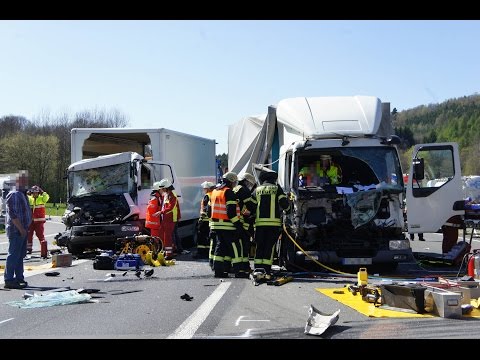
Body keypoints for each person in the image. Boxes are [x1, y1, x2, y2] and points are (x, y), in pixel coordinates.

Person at [252, 168, 290, 279]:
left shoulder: (257, 189)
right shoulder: (277, 188)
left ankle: (258, 268)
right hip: (273, 225)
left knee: (260, 246)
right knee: (269, 246)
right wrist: (288, 210)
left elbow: (251, 205)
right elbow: (284, 203)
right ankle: (266, 269)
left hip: (259, 224)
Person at [207, 171, 243, 278]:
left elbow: (208, 211)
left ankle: (218, 271)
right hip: (227, 226)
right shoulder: (229, 192)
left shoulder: (214, 192)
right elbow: (231, 212)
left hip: (215, 226)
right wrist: (238, 225)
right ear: (232, 182)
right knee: (235, 247)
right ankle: (238, 270)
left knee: (220, 247)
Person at [4, 170, 32, 289]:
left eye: (26, 179)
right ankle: (9, 279)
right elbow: (13, 215)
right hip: (17, 231)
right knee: (13, 255)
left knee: (20, 256)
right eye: (23, 179)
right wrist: (21, 229)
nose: (26, 181)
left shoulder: (22, 193)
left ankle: (19, 278)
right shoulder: (14, 194)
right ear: (17, 180)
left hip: (23, 230)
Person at [232, 172, 257, 276]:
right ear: (246, 182)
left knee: (238, 246)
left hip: (235, 221)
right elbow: (251, 205)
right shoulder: (244, 190)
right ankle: (244, 268)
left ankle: (241, 267)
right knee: (244, 245)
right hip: (242, 223)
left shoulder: (235, 189)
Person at [157, 178, 181, 259]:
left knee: (168, 236)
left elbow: (171, 207)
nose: (161, 189)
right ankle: (167, 252)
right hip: (166, 217)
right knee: (164, 235)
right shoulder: (167, 194)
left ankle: (169, 254)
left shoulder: (172, 195)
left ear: (166, 187)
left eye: (162, 188)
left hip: (171, 218)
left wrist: (161, 212)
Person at [26, 185, 50, 258]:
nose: (34, 194)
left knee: (40, 236)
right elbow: (25, 198)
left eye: (36, 192)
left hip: (39, 222)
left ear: (38, 192)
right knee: (29, 235)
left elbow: (47, 197)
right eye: (33, 192)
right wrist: (27, 193)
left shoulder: (42, 198)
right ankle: (29, 249)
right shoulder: (30, 199)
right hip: (31, 221)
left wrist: (43, 192)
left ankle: (44, 249)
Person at [194, 181, 215, 259]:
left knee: (201, 236)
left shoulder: (207, 196)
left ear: (208, 189)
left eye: (205, 188)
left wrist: (201, 218)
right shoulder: (214, 194)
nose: (204, 190)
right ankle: (207, 252)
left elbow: (205, 208)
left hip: (205, 220)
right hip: (210, 219)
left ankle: (201, 252)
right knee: (207, 236)